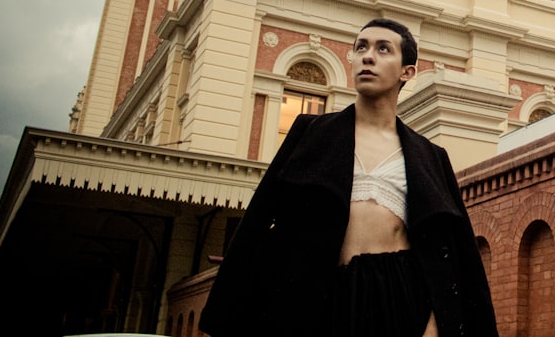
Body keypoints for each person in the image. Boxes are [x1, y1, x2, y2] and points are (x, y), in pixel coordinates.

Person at [200, 18, 498, 337]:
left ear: (407, 72)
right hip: (318, 300)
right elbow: (256, 223)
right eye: (361, 47)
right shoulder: (310, 134)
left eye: (383, 49)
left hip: (400, 299)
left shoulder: (430, 156)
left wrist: (435, 324)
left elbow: (457, 252)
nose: (368, 56)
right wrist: (225, 315)